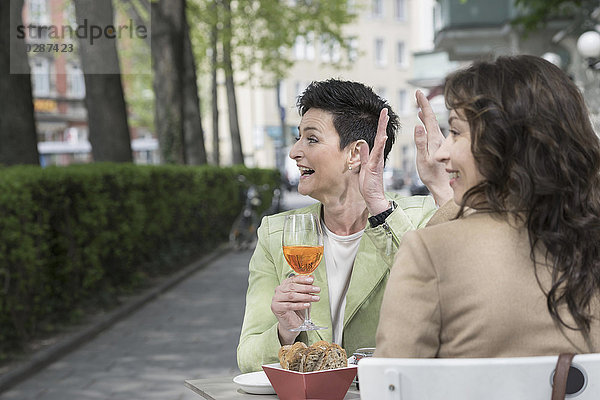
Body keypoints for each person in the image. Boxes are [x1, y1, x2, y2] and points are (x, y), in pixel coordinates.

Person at [375, 55, 600, 358]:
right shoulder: (586, 233)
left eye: (454, 132)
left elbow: (393, 385)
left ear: (504, 142)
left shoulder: (430, 252)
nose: (442, 152)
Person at [237, 79, 453, 372]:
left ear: (355, 154)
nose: (294, 152)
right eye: (298, 137)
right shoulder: (277, 234)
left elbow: (452, 300)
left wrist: (378, 206)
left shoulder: (418, 219)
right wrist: (284, 331)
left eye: (311, 139)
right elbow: (247, 360)